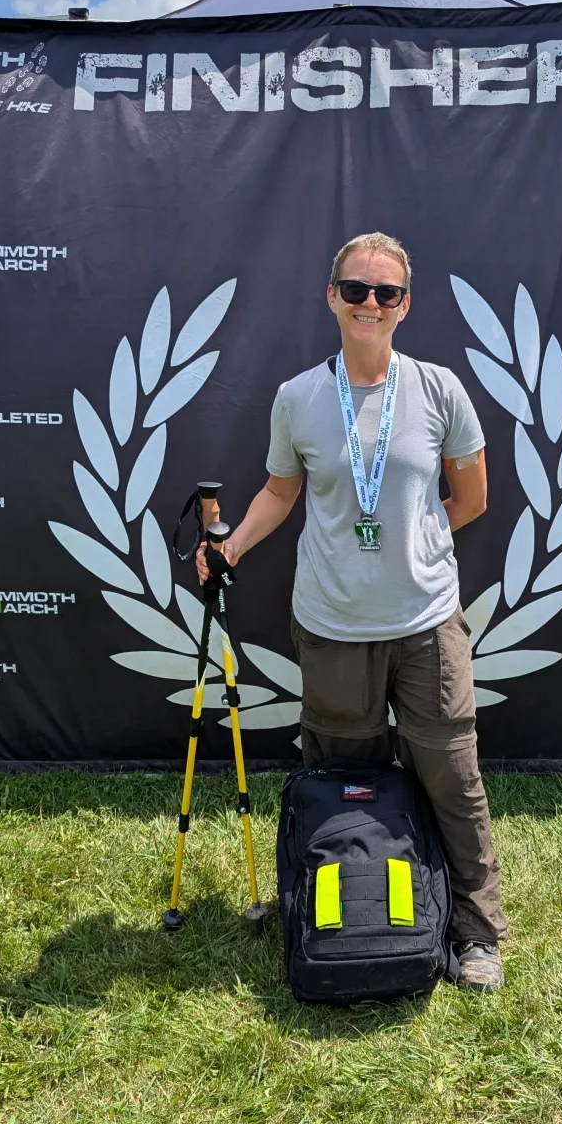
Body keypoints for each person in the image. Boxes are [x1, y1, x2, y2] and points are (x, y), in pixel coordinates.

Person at [198, 231, 506, 991]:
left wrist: (415, 541)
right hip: (333, 628)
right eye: (357, 289)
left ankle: (476, 933)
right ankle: (348, 917)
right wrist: (231, 547)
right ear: (331, 296)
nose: (371, 303)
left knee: (452, 778)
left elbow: (471, 498)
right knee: (346, 782)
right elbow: (280, 492)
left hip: (427, 622)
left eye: (387, 293)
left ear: (406, 305)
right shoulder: (299, 397)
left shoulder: (439, 390)